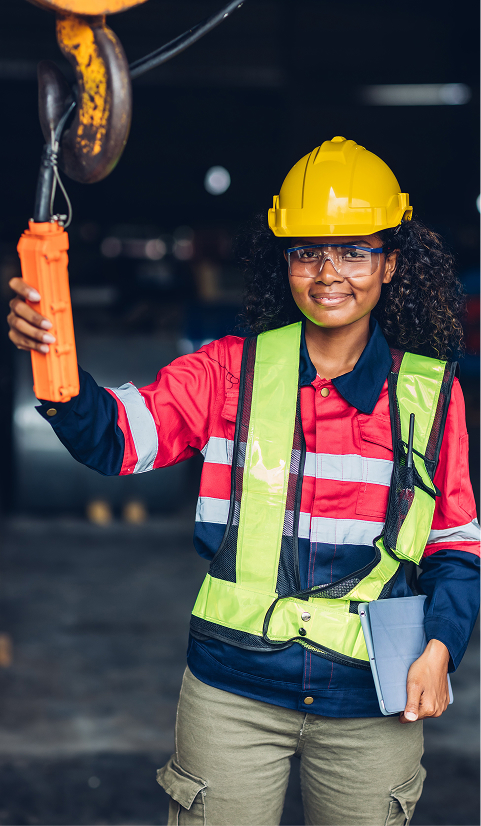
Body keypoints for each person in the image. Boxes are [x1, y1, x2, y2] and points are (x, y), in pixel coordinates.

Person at [8, 137, 480, 826]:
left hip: (370, 704)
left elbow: (455, 546)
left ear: (389, 263)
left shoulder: (430, 395)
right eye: (305, 251)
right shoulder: (226, 372)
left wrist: (439, 646)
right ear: (282, 260)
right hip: (232, 694)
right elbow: (113, 438)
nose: (328, 273)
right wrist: (55, 361)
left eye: (352, 250)